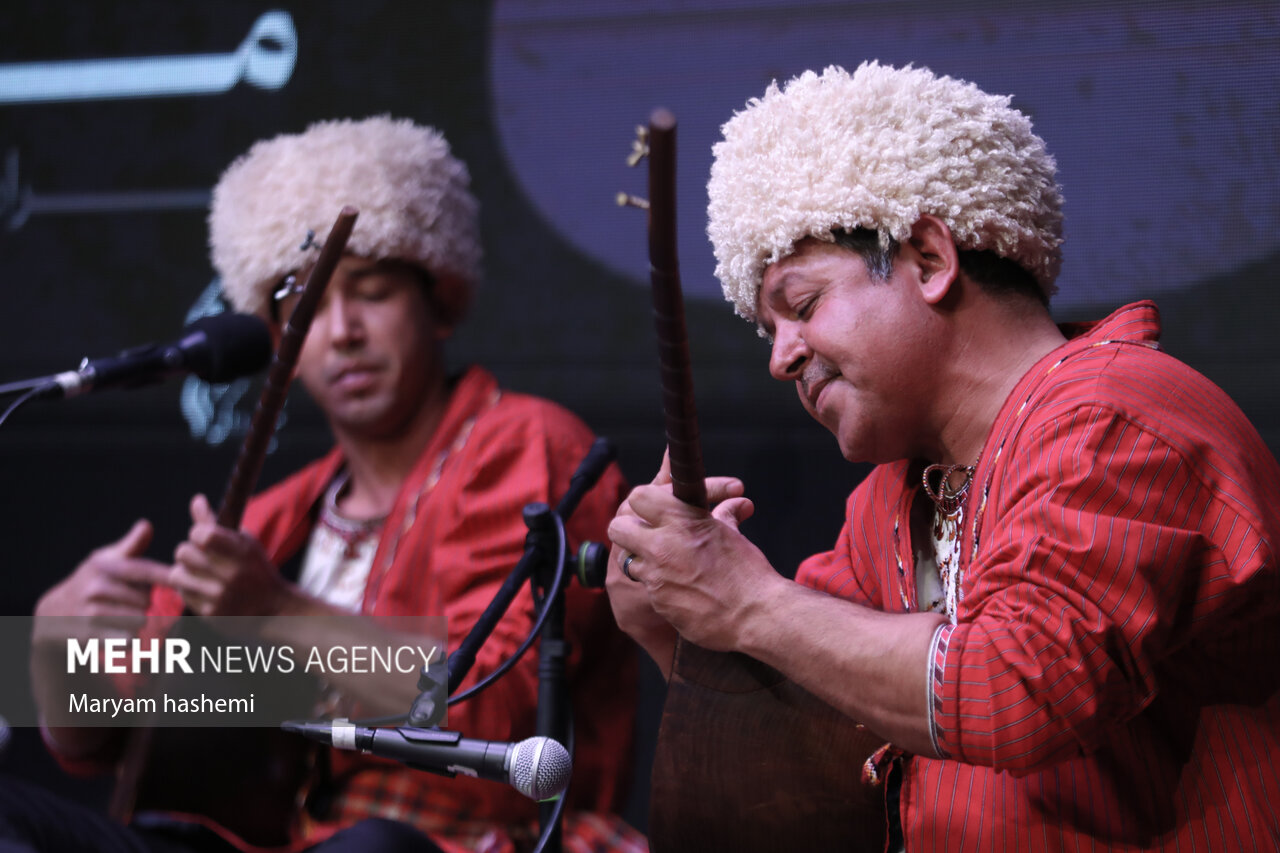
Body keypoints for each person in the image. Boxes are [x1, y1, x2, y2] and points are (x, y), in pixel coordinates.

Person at [606, 62, 1280, 850]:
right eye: (769, 331)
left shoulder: (1118, 416)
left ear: (929, 258)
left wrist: (750, 603)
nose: (781, 358)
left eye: (802, 305)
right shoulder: (893, 499)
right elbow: (800, 734)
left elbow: (1018, 689)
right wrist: (675, 621)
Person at [21, 116, 645, 853]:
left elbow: (492, 712)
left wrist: (279, 611)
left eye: (373, 291)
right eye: (307, 308)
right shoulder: (272, 517)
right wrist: (56, 648)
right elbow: (100, 741)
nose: (342, 328)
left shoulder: (525, 443)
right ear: (277, 334)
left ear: (437, 302)